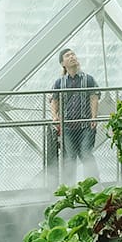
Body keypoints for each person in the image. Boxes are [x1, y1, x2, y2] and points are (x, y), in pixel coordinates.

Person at [49, 48, 101, 181]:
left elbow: (94, 97)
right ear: (62, 63)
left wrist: (94, 117)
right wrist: (54, 116)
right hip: (67, 126)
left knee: (86, 154)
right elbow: (54, 100)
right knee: (70, 158)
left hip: (85, 125)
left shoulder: (88, 79)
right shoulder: (60, 82)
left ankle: (93, 185)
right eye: (68, 56)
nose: (72, 57)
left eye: (73, 54)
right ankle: (69, 188)